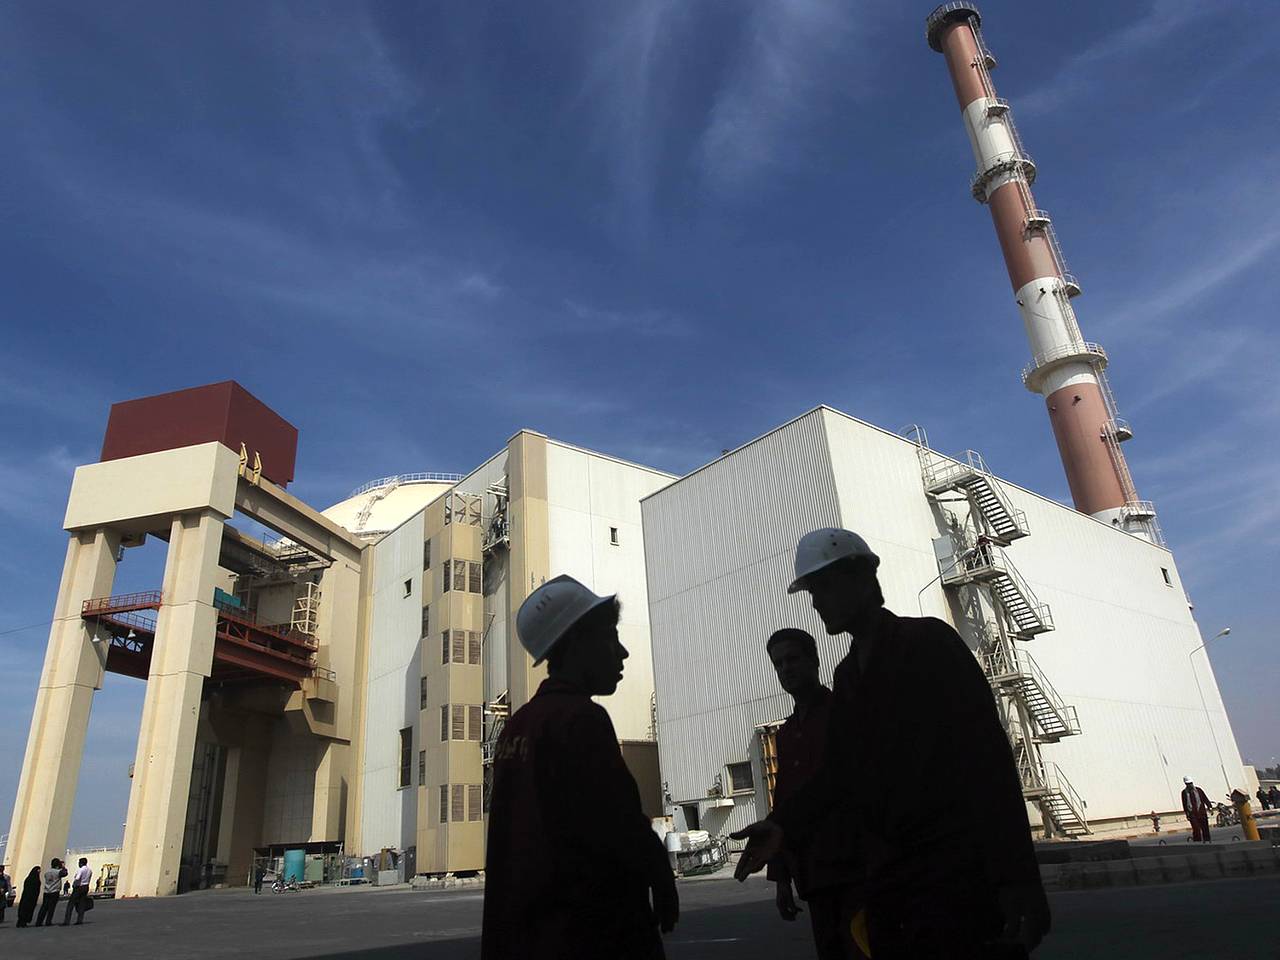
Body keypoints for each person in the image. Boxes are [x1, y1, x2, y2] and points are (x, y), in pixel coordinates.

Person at [732, 528, 1049, 959]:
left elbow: (987, 762)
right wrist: (782, 824)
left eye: (823, 587)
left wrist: (1018, 879)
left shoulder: (929, 645)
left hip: (958, 876)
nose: (816, 603)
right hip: (893, 882)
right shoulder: (848, 678)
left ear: (863, 578)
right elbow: (839, 774)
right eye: (812, 592)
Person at [482, 575, 678, 960]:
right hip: (591, 932)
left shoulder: (517, 727)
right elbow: (619, 821)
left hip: (531, 933)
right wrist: (660, 877)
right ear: (576, 643)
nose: (623, 652)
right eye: (610, 637)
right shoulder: (580, 719)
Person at [765, 628, 864, 960]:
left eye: (792, 659)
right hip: (814, 875)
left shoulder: (843, 712)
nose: (786, 669)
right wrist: (781, 878)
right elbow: (783, 801)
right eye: (778, 664)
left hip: (856, 869)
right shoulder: (786, 734)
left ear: (814, 661)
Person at [61, 857, 92, 925]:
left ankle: (67, 921)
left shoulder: (80, 870)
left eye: (79, 863)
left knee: (71, 904)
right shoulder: (89, 870)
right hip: (85, 886)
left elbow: (77, 878)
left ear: (81, 863)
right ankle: (79, 920)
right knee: (82, 904)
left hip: (78, 887)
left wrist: (74, 884)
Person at [36, 858, 67, 927]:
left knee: (44, 907)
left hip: (47, 891)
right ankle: (48, 921)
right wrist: (63, 867)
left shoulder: (47, 872)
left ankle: (39, 921)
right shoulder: (58, 872)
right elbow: (65, 873)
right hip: (54, 891)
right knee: (51, 908)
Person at [1181, 777, 1212, 842]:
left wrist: (1209, 807)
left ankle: (1207, 841)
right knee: (1196, 829)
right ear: (1185, 784)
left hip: (1201, 812)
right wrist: (1187, 813)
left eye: (1190, 783)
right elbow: (1184, 804)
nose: (1190, 785)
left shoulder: (1198, 790)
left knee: (1205, 828)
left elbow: (1205, 798)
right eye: (1188, 784)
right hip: (1192, 814)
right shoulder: (1184, 793)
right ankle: (1198, 842)